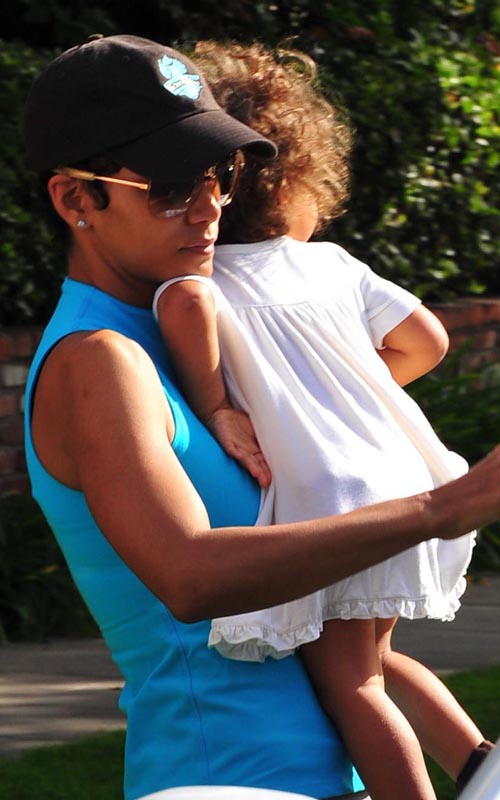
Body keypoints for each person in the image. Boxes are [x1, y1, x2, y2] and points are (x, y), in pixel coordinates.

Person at [21, 33, 500, 800]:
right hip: (225, 779)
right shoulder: (99, 360)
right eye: (171, 187)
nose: (209, 208)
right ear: (76, 199)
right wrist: (442, 507)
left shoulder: (200, 330)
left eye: (220, 175)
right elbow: (189, 576)